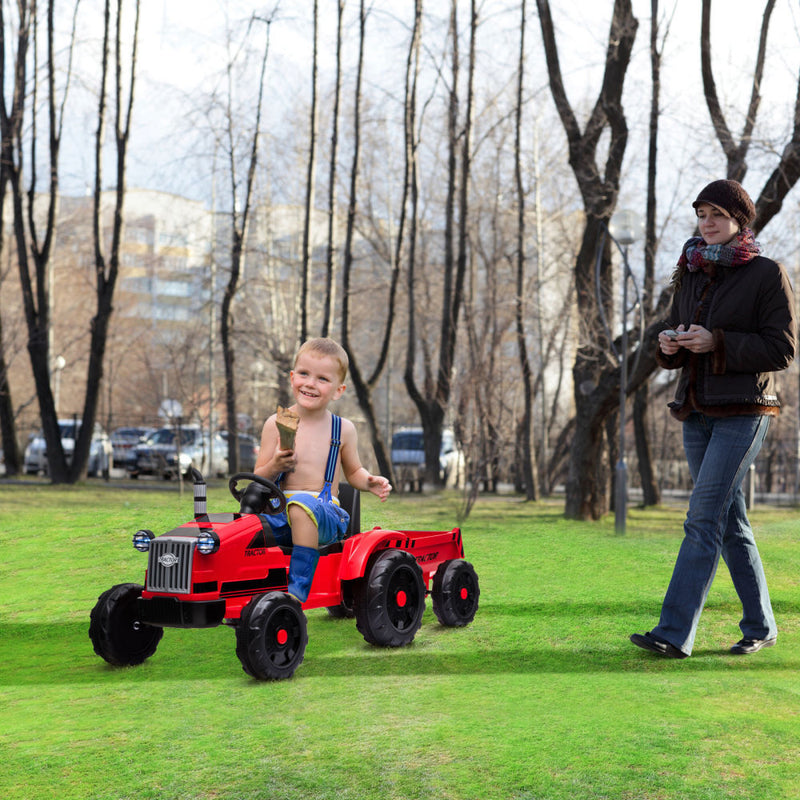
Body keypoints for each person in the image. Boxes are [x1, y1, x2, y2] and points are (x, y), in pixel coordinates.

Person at [630, 179, 796, 659]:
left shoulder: (767, 273)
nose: (708, 223)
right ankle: (761, 625)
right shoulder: (690, 271)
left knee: (701, 518)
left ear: (740, 222)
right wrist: (670, 345)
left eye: (718, 215)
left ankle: (672, 632)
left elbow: (782, 349)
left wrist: (717, 342)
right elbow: (678, 334)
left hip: (746, 411)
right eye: (702, 215)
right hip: (695, 410)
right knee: (729, 524)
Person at [253, 337, 392, 602]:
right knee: (243, 527)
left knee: (301, 507)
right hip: (279, 512)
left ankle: (297, 591)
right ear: (293, 377)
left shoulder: (343, 429)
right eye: (304, 374)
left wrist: (369, 481)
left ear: (338, 390)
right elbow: (258, 478)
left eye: (322, 379)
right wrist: (274, 465)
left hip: (325, 513)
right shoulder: (276, 423)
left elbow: (353, 472)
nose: (310, 383)